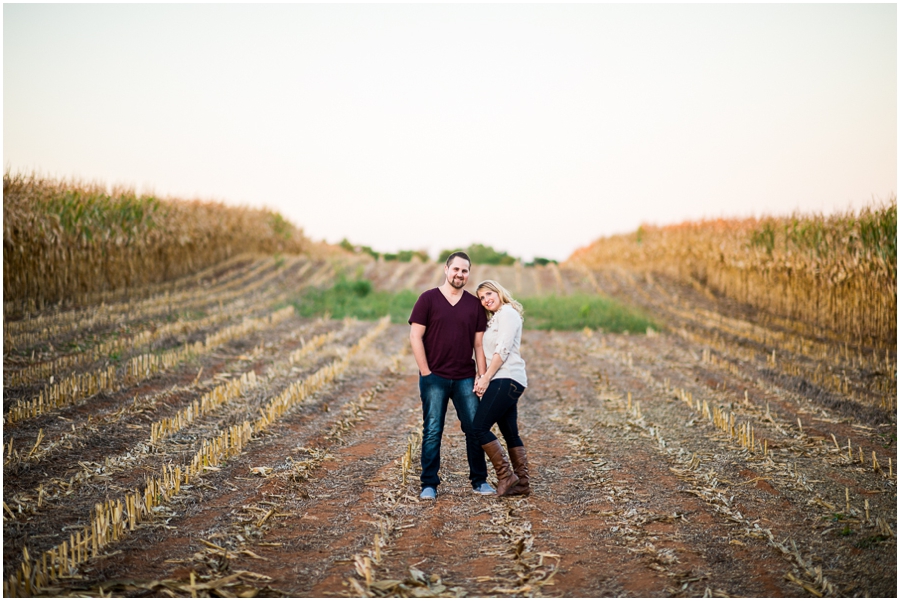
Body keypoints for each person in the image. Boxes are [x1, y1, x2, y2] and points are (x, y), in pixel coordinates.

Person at [408, 251, 495, 500]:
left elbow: (478, 346)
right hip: (434, 376)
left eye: (465, 270)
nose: (460, 274)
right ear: (446, 270)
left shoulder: (473, 305)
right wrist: (426, 372)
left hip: (465, 377)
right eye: (456, 269)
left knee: (474, 429)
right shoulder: (428, 299)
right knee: (433, 429)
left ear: (469, 274)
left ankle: (479, 481)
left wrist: (481, 376)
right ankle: (429, 485)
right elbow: (415, 337)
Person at [471, 280, 530, 496]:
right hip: (505, 379)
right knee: (510, 433)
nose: (486, 300)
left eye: (489, 293)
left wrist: (486, 378)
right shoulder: (497, 317)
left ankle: (506, 476)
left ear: (499, 291)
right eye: (482, 298)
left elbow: (502, 350)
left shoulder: (507, 313)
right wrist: (482, 376)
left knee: (479, 427)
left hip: (506, 378)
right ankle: (522, 484)